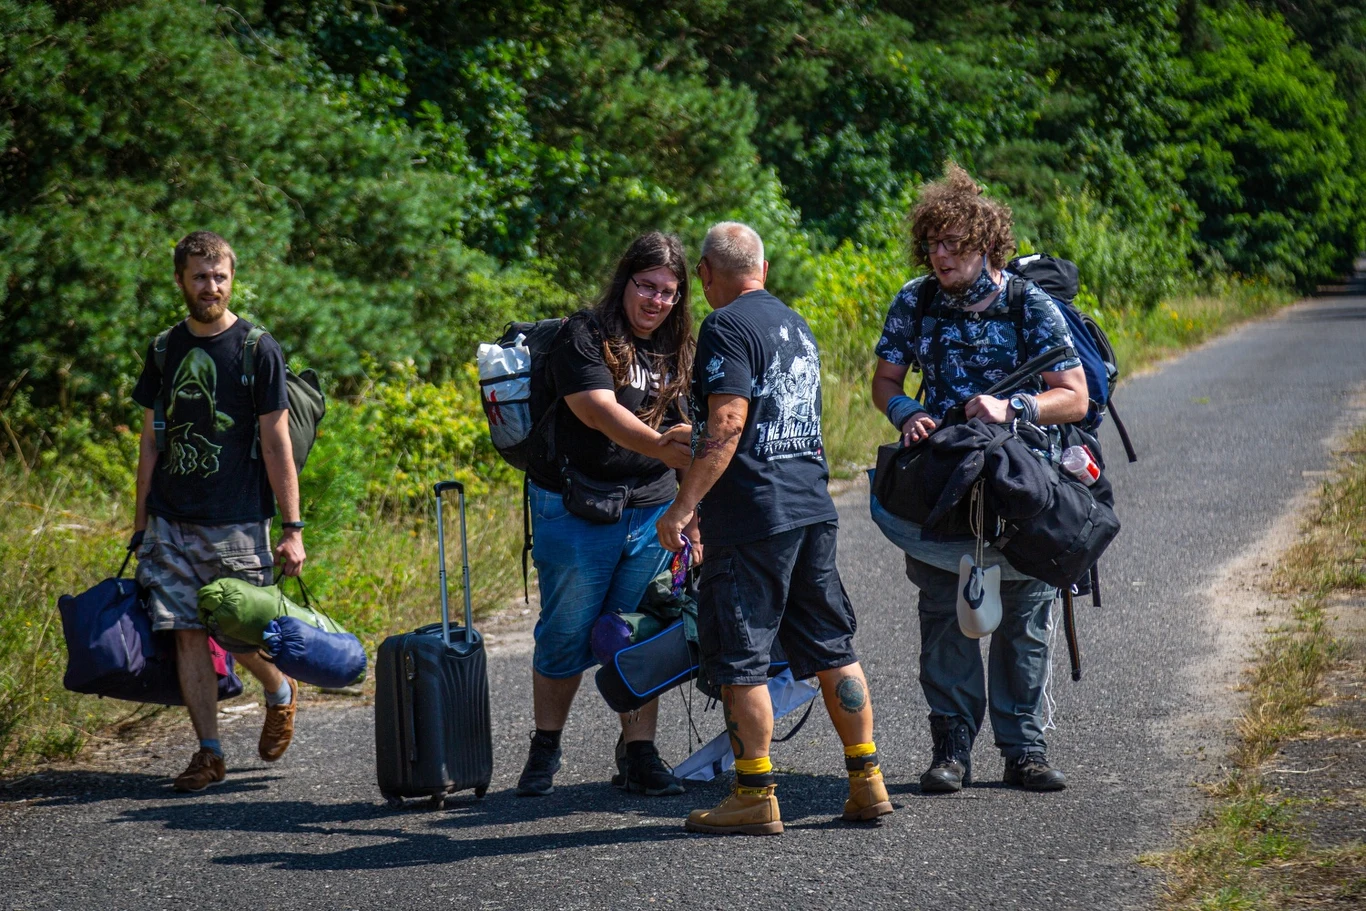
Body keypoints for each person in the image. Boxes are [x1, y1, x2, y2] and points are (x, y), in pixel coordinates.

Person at [657, 222, 893, 836]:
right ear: (763, 269)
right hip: (811, 507)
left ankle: (754, 794)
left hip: (753, 518)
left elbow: (729, 423)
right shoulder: (795, 324)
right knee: (832, 647)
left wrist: (682, 507)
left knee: (742, 659)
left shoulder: (725, 326)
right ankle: (867, 782)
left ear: (706, 272)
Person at [869, 163, 1088, 792]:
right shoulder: (915, 299)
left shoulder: (1028, 304)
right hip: (944, 478)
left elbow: (1073, 396)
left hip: (1024, 480)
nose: (940, 256)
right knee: (944, 609)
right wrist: (906, 412)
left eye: (953, 244)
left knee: (1024, 612)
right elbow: (885, 381)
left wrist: (1012, 407)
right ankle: (952, 749)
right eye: (932, 244)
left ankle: (1024, 750)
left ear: (987, 244)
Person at [516, 231, 698, 798]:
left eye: (668, 292)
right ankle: (546, 746)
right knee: (566, 631)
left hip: (651, 510)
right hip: (577, 506)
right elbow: (594, 409)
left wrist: (691, 513)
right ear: (625, 282)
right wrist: (659, 445)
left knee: (634, 633)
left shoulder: (679, 347)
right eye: (647, 286)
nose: (656, 300)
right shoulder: (584, 334)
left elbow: (693, 434)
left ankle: (639, 754)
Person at [131, 231, 307, 792]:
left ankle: (278, 688)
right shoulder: (164, 349)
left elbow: (277, 442)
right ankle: (208, 753)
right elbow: (150, 442)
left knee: (236, 633)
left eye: (220, 276)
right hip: (170, 518)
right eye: (201, 277)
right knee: (185, 632)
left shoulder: (257, 349)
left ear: (232, 279)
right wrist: (140, 522)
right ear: (181, 280)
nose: (211, 287)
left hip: (237, 519)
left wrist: (292, 528)